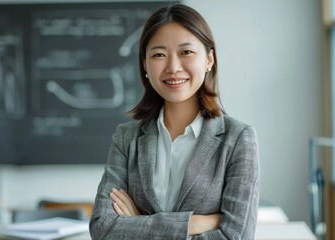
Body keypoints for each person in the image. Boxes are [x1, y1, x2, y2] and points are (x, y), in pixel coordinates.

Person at [89, 3, 260, 239]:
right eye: (159, 54)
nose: (173, 67)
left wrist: (139, 223)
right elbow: (102, 228)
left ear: (209, 59)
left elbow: (236, 236)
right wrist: (191, 224)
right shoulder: (126, 138)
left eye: (186, 52)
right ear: (145, 65)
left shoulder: (238, 139)